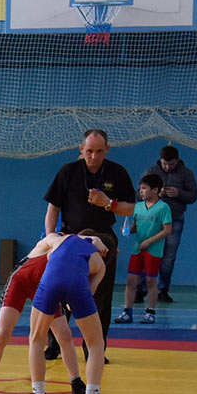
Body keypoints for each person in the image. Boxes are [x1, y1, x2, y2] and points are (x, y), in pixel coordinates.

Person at [0, 236, 87, 394]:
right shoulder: (54, 239)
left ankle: (76, 382)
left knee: (64, 335)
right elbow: (69, 240)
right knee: (2, 333)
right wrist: (93, 240)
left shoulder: (76, 260)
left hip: (46, 287)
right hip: (20, 282)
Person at [43, 129, 134, 337]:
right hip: (69, 239)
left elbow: (130, 208)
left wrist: (109, 203)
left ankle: (95, 347)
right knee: (61, 291)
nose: (94, 156)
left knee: (101, 297)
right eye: (89, 151)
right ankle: (54, 344)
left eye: (100, 151)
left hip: (104, 238)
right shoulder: (68, 171)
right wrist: (50, 238)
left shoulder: (117, 172)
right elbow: (53, 207)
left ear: (107, 149)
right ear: (82, 149)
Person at [23, 232, 118, 394]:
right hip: (77, 285)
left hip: (50, 280)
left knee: (36, 339)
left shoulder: (63, 239)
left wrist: (92, 239)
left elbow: (49, 249)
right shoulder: (100, 264)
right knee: (95, 343)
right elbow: (89, 292)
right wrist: (71, 299)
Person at [117, 174, 172, 324]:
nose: (140, 191)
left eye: (144, 188)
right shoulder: (138, 207)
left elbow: (167, 229)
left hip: (154, 250)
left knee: (150, 281)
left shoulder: (163, 207)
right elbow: (135, 227)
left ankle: (150, 311)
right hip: (137, 249)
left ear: (155, 190)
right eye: (140, 188)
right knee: (131, 281)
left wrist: (149, 241)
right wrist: (128, 230)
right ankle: (127, 311)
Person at [148, 145, 197, 302]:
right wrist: (157, 194)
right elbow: (139, 194)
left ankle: (163, 290)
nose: (168, 167)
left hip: (174, 220)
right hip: (153, 220)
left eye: (171, 164)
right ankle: (141, 290)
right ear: (160, 160)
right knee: (148, 254)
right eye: (165, 164)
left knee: (168, 257)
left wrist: (179, 193)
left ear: (177, 160)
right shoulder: (152, 172)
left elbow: (193, 195)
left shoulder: (186, 173)